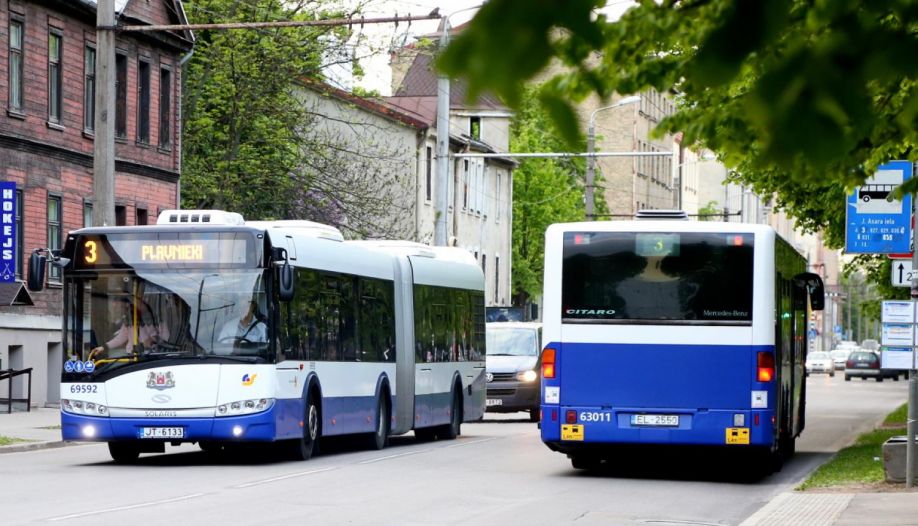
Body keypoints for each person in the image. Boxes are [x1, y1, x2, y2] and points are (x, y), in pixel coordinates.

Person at [89, 298, 160, 360]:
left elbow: (150, 342)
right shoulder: (128, 323)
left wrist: (140, 326)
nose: (124, 311)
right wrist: (104, 347)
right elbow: (120, 339)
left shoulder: (150, 322)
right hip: (131, 355)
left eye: (121, 307)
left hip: (146, 356)